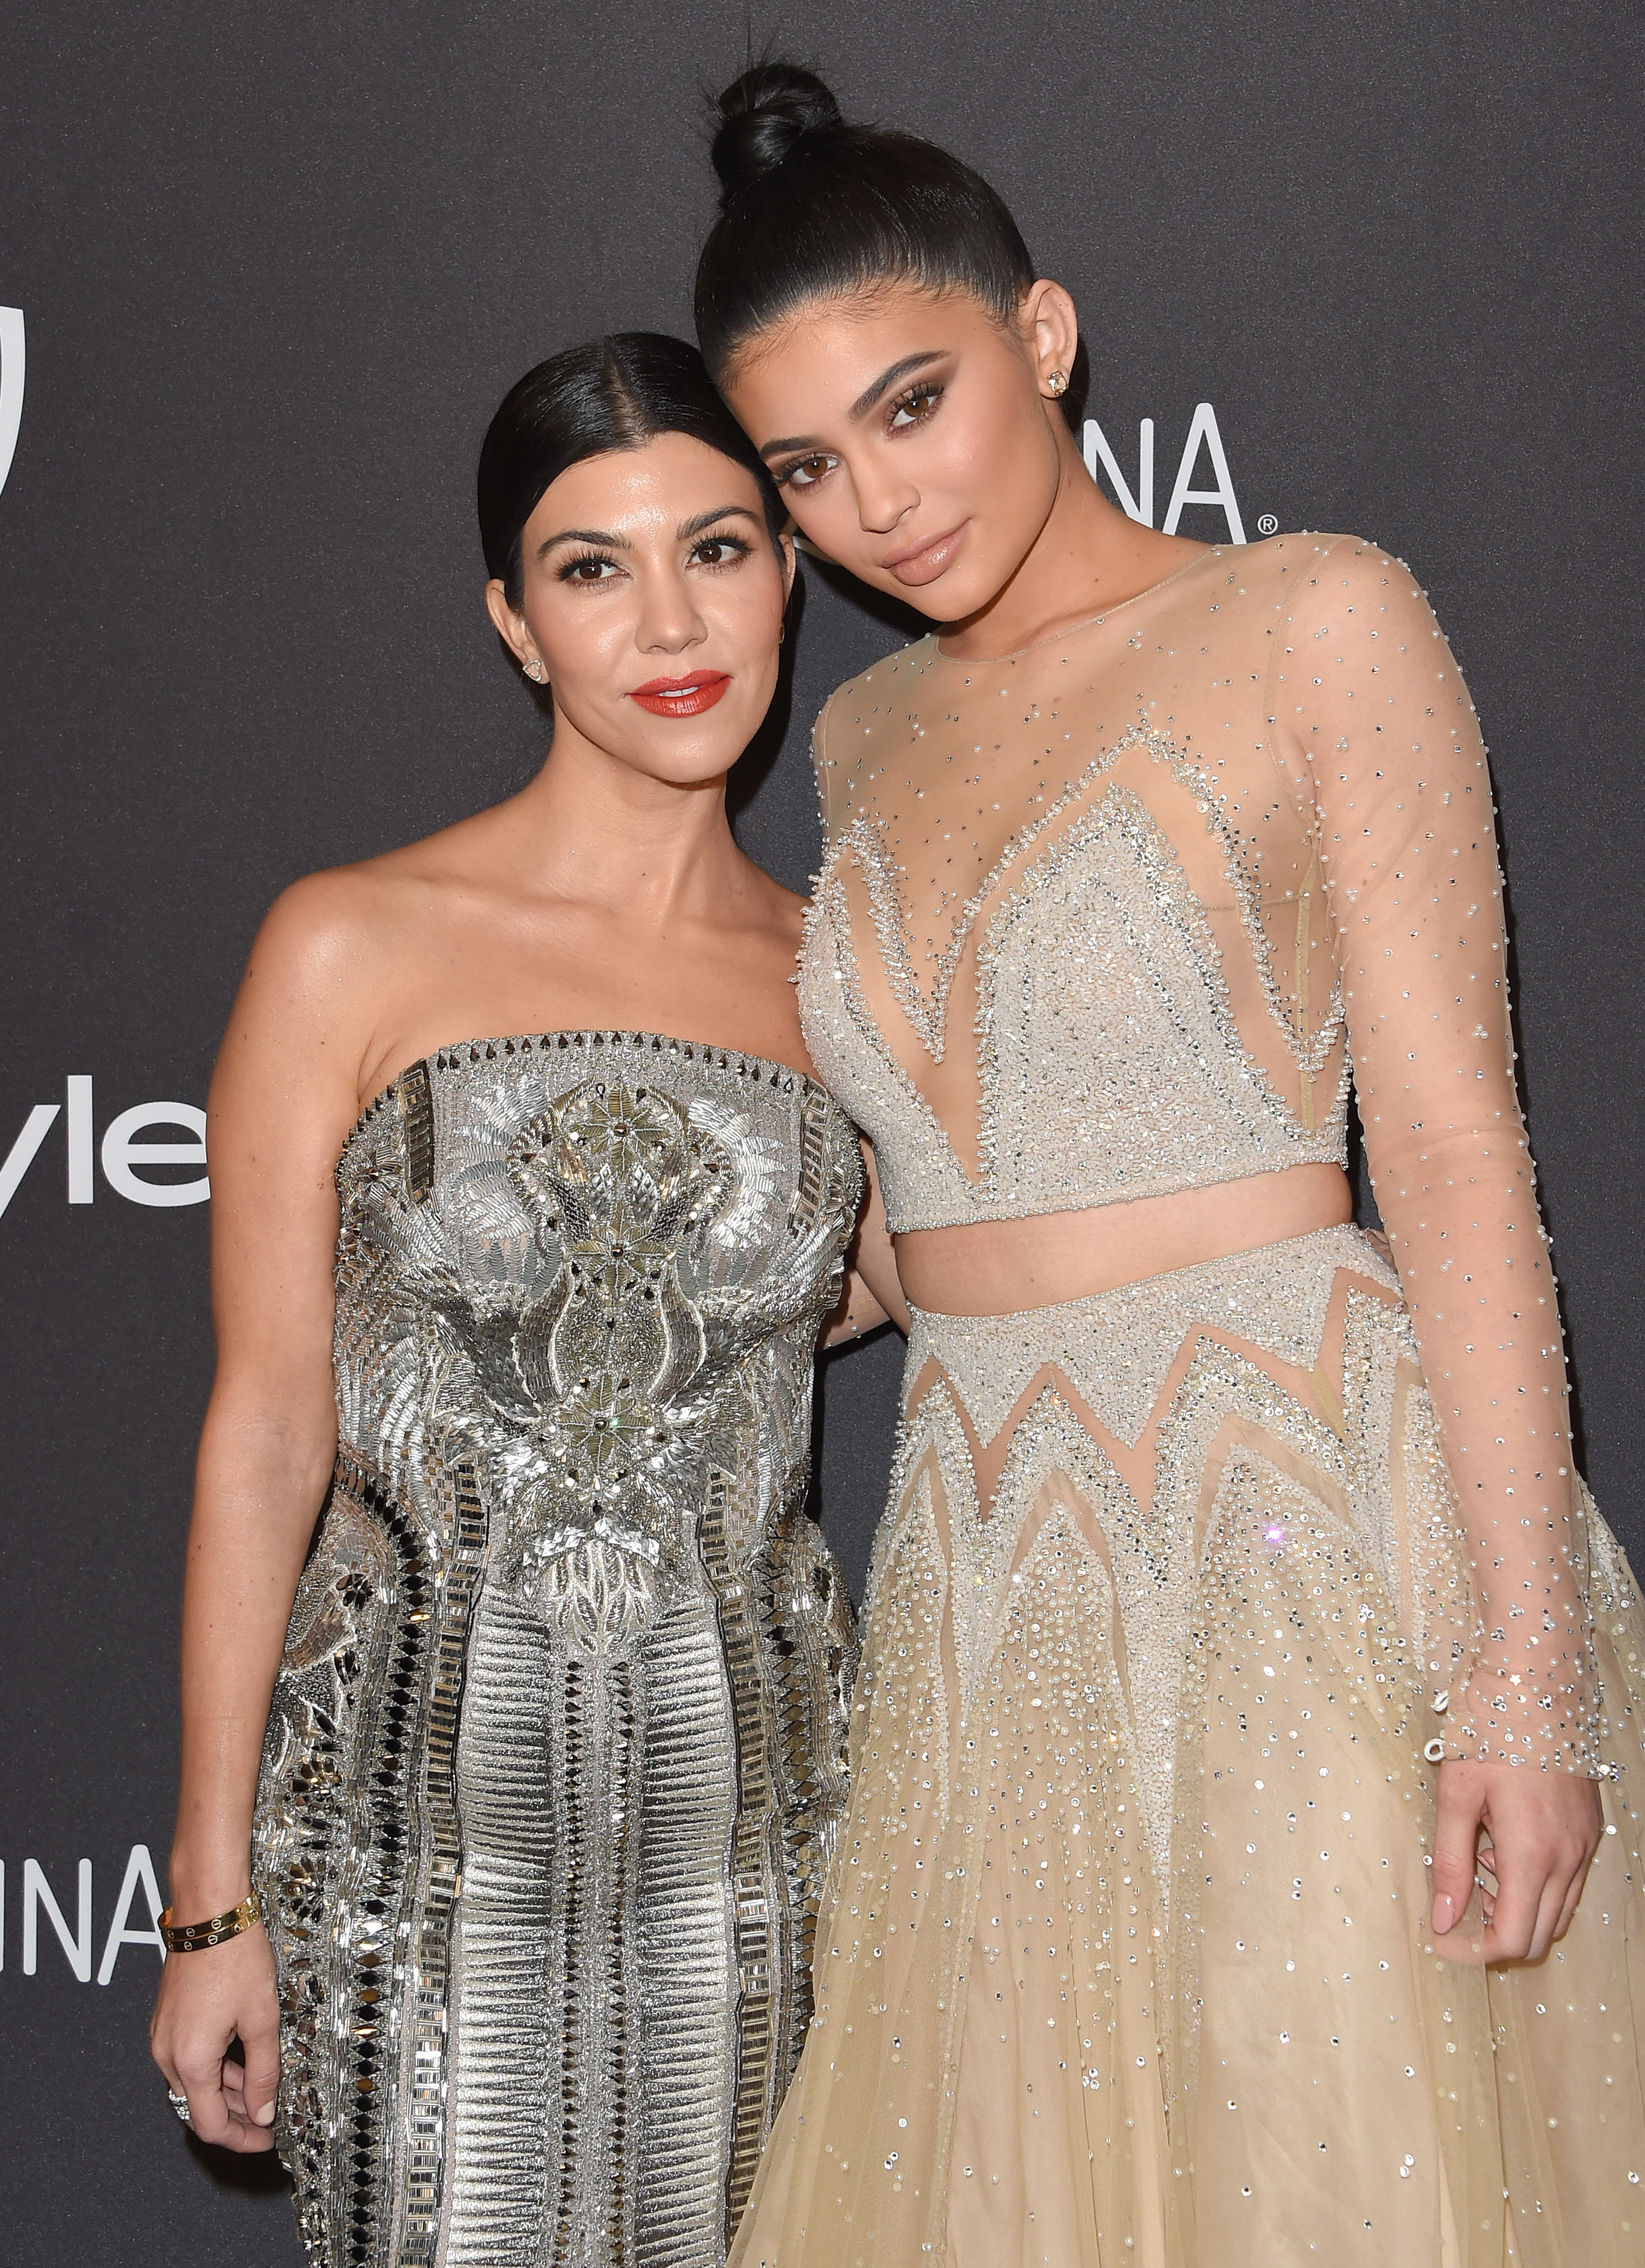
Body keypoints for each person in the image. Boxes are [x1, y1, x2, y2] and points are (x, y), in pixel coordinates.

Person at [692, 63, 1645, 2268]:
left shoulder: (1316, 615)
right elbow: (939, 1206)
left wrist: (1524, 1677)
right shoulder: (855, 732)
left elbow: (1452, 1147)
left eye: (913, 406)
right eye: (807, 467)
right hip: (982, 1557)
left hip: (1300, 1526)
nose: (877, 508)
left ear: (1046, 335)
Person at [149, 331, 888, 2268]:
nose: (672, 618)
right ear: (511, 619)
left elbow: (927, 1289)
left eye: (720, 547)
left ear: (793, 573)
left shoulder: (848, 986)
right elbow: (270, 1426)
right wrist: (210, 1896)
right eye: (593, 565)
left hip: (748, 1843)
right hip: (410, 1835)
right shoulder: (352, 943)